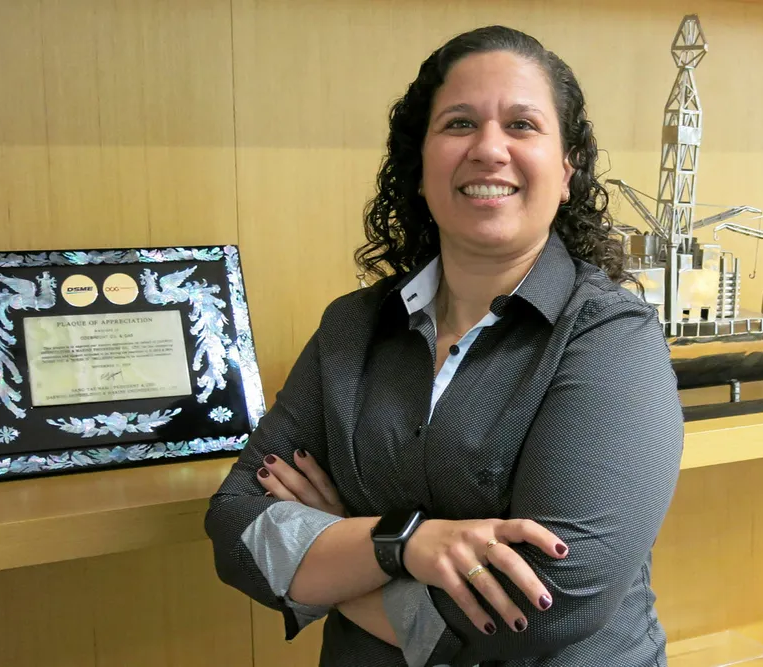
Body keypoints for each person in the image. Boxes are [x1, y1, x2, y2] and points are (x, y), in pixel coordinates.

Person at [205, 25, 684, 667]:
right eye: (459, 124)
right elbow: (235, 526)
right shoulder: (351, 329)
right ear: (421, 166)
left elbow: (551, 602)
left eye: (521, 125)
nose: (489, 149)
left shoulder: (611, 336)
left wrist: (339, 554)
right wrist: (403, 545)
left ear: (567, 171)